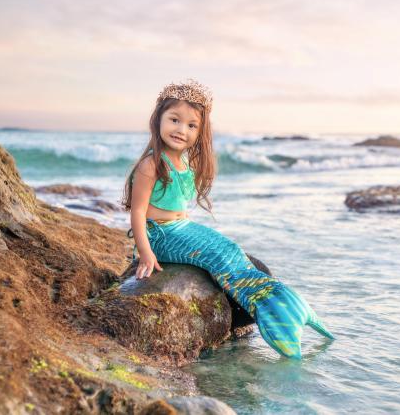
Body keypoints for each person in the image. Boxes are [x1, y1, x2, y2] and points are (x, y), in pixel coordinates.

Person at [121, 79, 334, 359]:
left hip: (179, 227)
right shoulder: (151, 165)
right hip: (160, 236)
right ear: (158, 119)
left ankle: (289, 304)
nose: (181, 130)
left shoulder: (184, 163)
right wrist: (146, 254)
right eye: (174, 120)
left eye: (191, 125)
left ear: (200, 132)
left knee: (231, 250)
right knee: (218, 259)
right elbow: (137, 212)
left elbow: (177, 207)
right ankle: (273, 316)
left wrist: (188, 226)